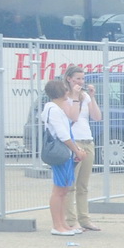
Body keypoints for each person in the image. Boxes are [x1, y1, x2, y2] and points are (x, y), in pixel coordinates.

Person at [41, 78, 83, 235]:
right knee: (59, 191)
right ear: (60, 92)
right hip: (61, 154)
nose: (68, 90)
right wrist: (77, 150)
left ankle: (63, 223)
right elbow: (63, 134)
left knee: (64, 190)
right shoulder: (52, 110)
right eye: (65, 89)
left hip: (67, 153)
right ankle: (57, 225)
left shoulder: (57, 109)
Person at [62, 66, 101, 232]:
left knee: (83, 185)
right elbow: (73, 117)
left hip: (88, 140)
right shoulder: (65, 97)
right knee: (71, 184)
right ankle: (71, 220)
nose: (81, 82)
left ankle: (85, 218)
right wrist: (76, 97)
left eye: (82, 79)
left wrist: (92, 98)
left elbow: (97, 117)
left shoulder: (85, 96)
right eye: (77, 78)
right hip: (74, 140)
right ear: (69, 79)